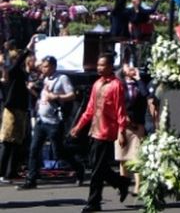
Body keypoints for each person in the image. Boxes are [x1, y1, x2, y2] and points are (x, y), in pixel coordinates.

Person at [70, 54, 130, 212]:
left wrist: (121, 132)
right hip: (94, 131)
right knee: (97, 166)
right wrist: (78, 127)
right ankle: (121, 182)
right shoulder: (97, 84)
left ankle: (93, 201)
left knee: (97, 170)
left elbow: (120, 111)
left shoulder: (117, 85)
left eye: (103, 65)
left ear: (110, 66)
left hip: (107, 132)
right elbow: (89, 110)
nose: (99, 68)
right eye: (98, 65)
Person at [17, 55, 85, 189]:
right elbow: (43, 97)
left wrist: (56, 96)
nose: (43, 69)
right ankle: (31, 180)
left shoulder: (62, 78)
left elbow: (72, 95)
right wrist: (32, 90)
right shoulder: (44, 79)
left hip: (54, 122)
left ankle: (78, 168)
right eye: (42, 66)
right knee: (34, 149)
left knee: (59, 152)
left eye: (46, 66)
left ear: (53, 66)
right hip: (41, 120)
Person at [115, 64, 147, 195]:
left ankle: (138, 186)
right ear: (123, 71)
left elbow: (146, 94)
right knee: (123, 157)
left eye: (134, 66)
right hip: (122, 125)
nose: (132, 68)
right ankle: (124, 184)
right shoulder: (119, 85)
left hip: (137, 125)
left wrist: (138, 79)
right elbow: (116, 104)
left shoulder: (139, 84)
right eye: (128, 67)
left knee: (137, 157)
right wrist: (122, 119)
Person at [0, 47, 31, 183]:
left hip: (21, 109)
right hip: (11, 110)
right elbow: (16, 64)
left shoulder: (21, 73)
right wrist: (26, 51)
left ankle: (11, 172)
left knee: (17, 142)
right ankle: (1, 173)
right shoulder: (12, 72)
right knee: (7, 142)